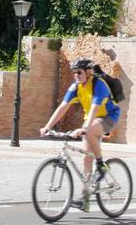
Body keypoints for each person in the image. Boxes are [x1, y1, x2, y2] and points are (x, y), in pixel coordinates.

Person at [40, 57, 121, 190]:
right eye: (74, 72)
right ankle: (86, 195)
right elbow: (63, 107)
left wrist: (84, 128)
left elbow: (95, 109)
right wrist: (47, 127)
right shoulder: (76, 87)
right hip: (91, 120)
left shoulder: (98, 84)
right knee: (86, 158)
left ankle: (101, 166)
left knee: (89, 132)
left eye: (79, 72)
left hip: (109, 117)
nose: (76, 75)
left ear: (88, 72)